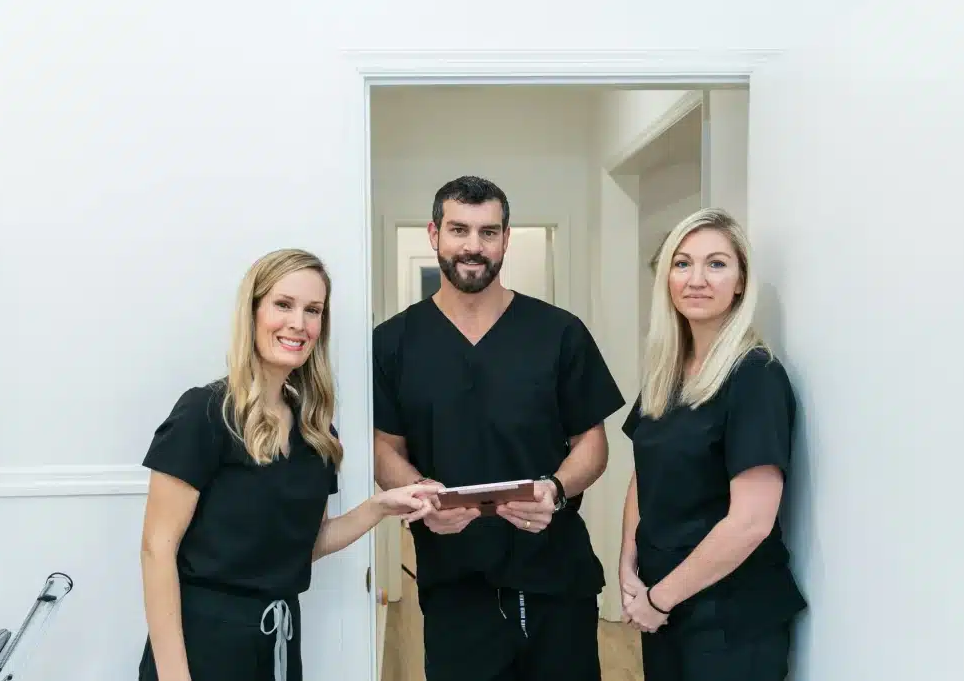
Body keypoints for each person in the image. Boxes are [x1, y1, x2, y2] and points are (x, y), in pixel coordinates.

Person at [137, 248, 438, 681]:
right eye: (283, 305)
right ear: (253, 312)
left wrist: (383, 505)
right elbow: (156, 549)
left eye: (312, 310)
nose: (299, 323)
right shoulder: (205, 412)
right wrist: (173, 675)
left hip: (279, 639)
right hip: (202, 644)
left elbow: (308, 544)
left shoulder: (316, 432)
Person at [372, 176, 625, 681]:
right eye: (459, 229)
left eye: (489, 232)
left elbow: (592, 444)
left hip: (556, 575)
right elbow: (383, 446)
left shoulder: (559, 333)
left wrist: (555, 488)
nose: (473, 245)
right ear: (433, 234)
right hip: (455, 579)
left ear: (506, 239)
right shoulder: (393, 342)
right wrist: (420, 497)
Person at [617, 208, 808, 680]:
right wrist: (628, 563)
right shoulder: (668, 372)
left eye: (716, 264)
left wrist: (659, 599)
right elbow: (645, 472)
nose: (696, 279)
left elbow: (750, 523)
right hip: (664, 604)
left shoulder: (754, 376)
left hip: (729, 617)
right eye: (682, 264)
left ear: (741, 281)